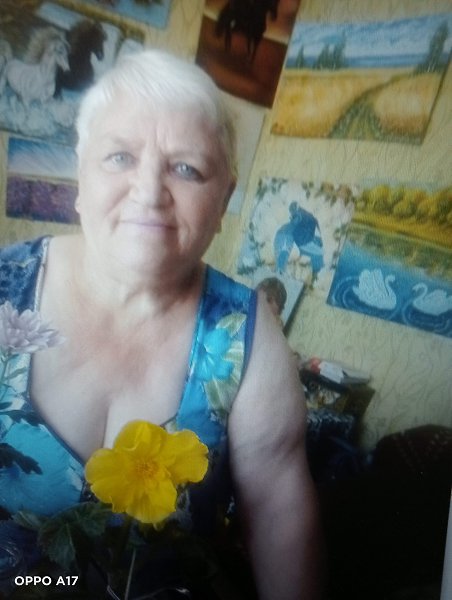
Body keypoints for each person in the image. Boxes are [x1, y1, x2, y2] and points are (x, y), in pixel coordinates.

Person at [0, 50, 322, 599]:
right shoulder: (7, 288)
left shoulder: (249, 338)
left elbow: (278, 518)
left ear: (223, 198)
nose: (149, 192)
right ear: (81, 173)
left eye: (186, 168)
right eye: (119, 157)